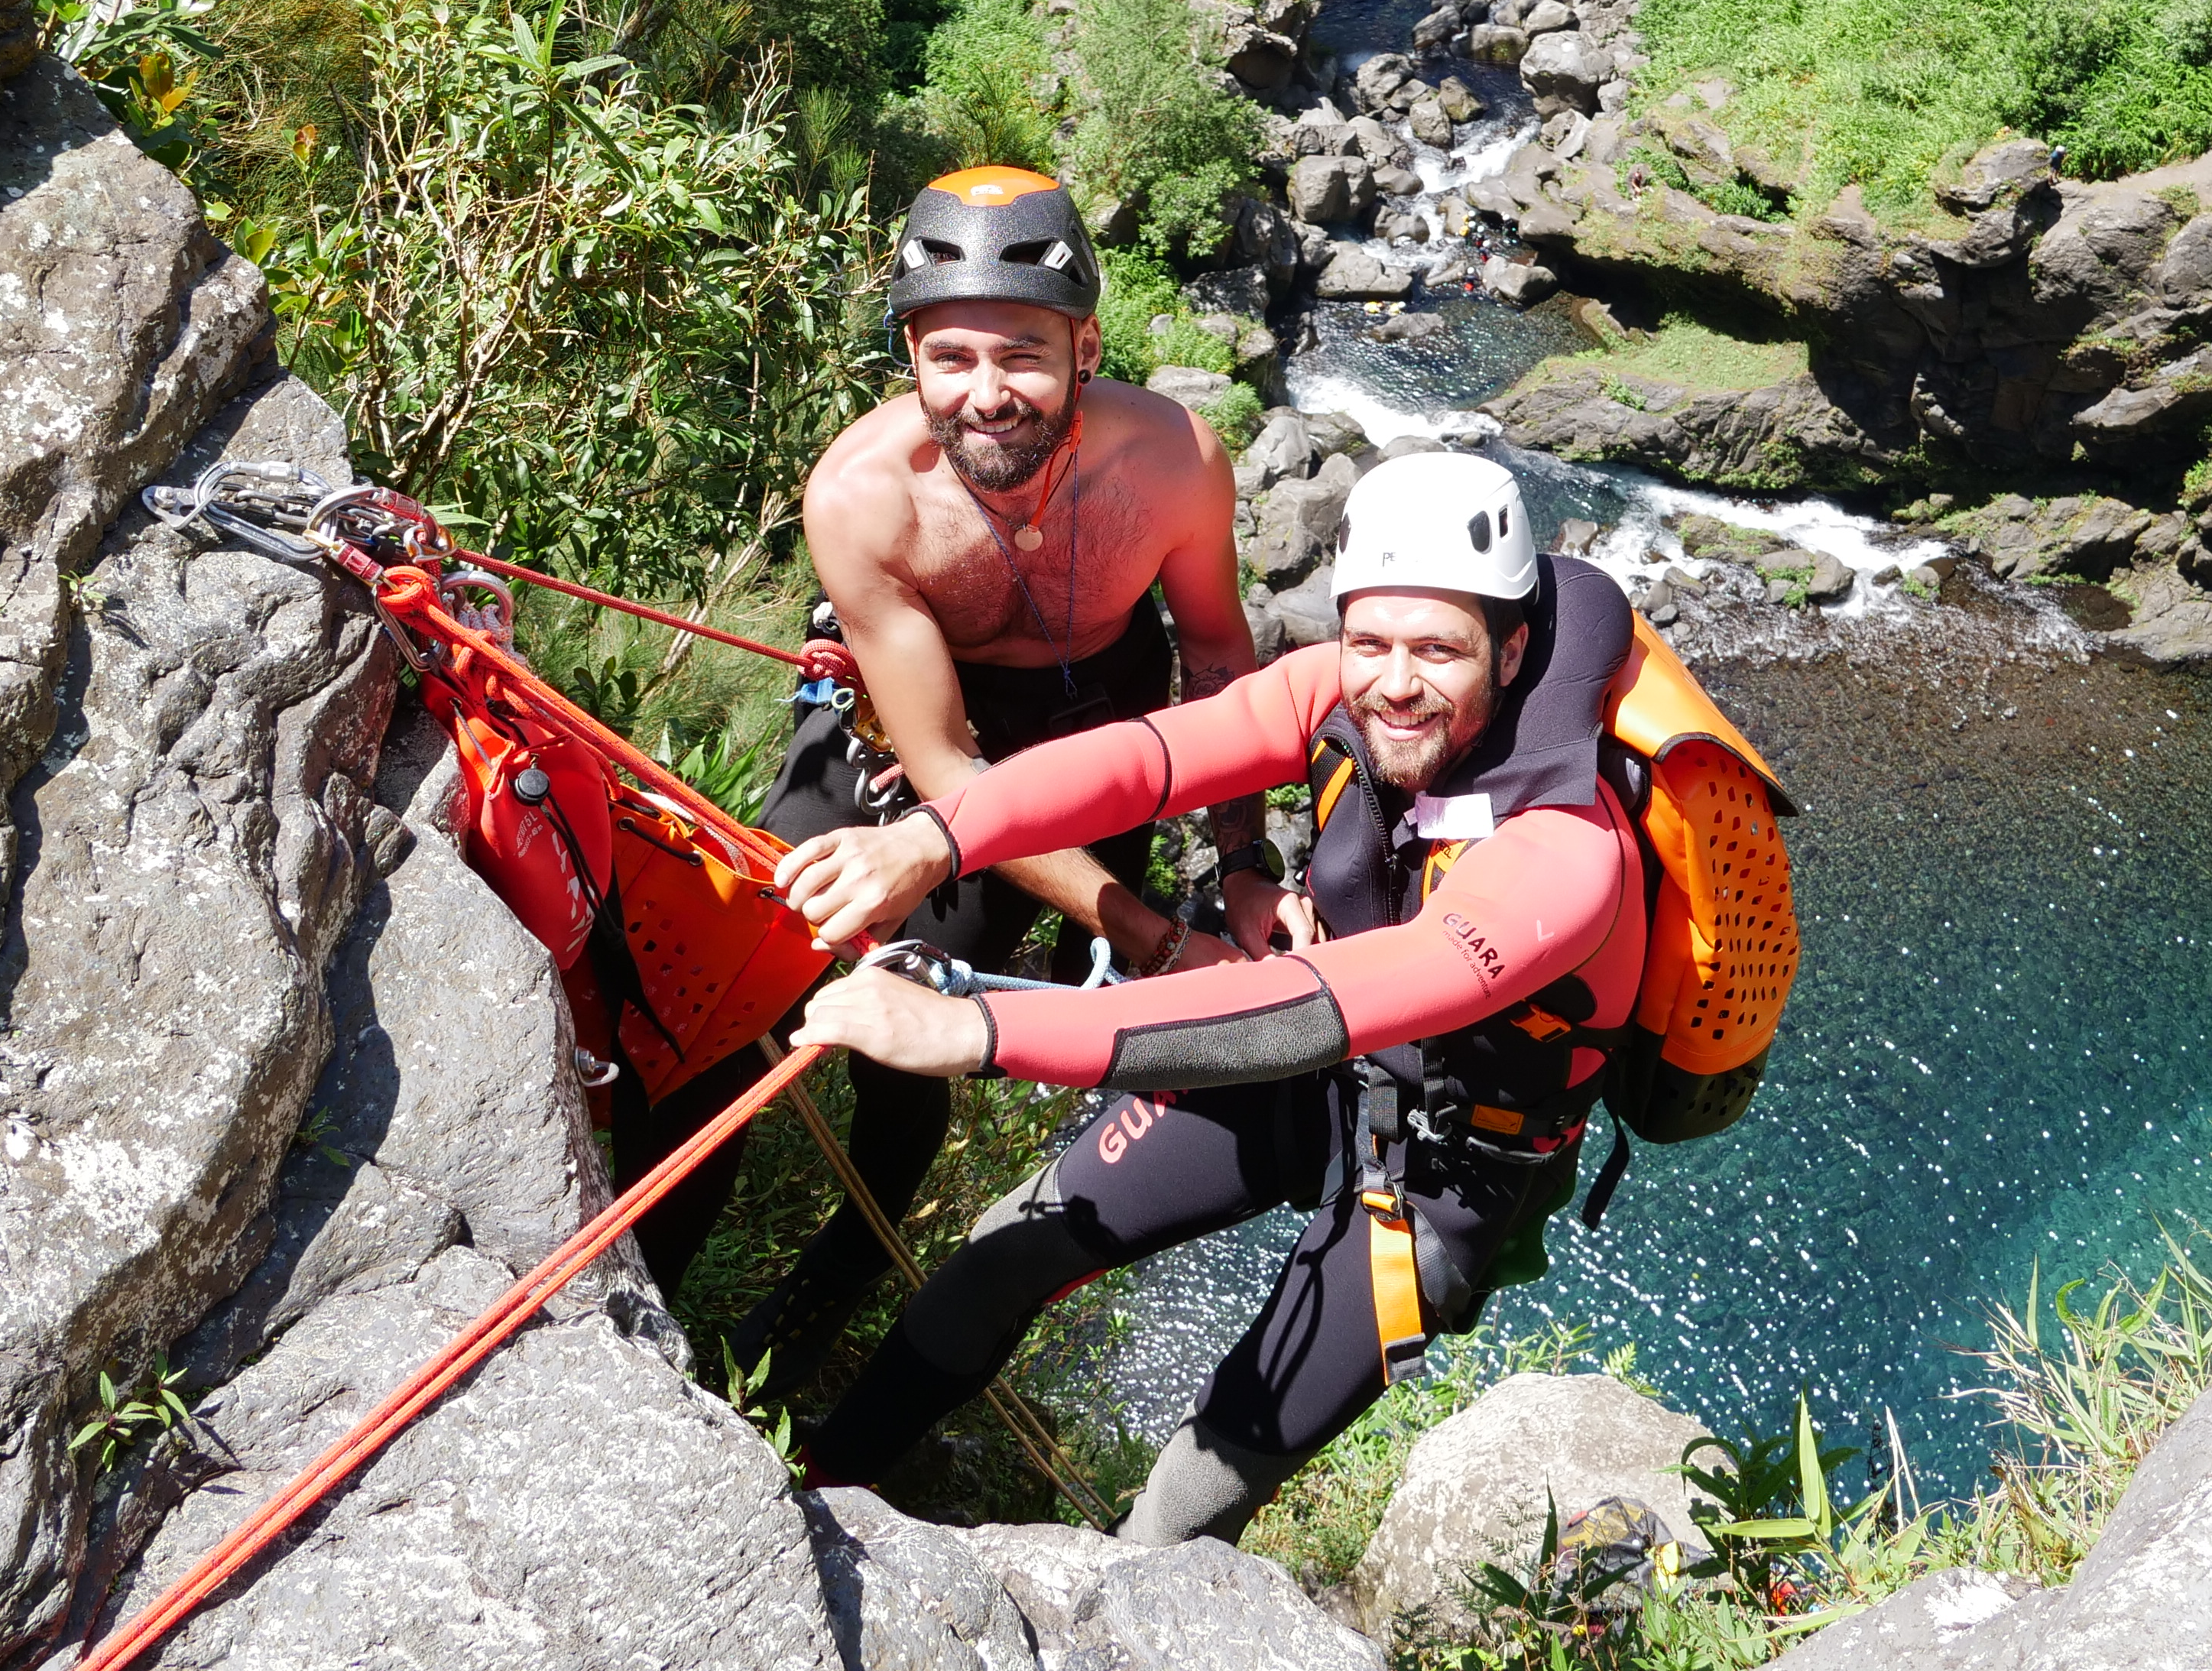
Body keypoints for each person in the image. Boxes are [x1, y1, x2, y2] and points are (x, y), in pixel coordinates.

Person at [778, 453, 1643, 1544]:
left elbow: (1309, 1006)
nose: (1394, 682)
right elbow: (1146, 759)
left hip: (1440, 1171)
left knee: (1192, 1493)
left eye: (1439, 650)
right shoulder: (1340, 690)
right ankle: (808, 1499)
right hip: (1320, 1075)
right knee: (1005, 1253)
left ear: (1513, 652)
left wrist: (977, 1029)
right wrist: (933, 836)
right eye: (1369, 643)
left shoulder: (1569, 853)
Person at [617, 164, 1267, 1384]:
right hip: (913, 718)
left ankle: (823, 1302)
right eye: (949, 357)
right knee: (732, 980)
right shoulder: (865, 499)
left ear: (1085, 343)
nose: (987, 395)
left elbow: (1221, 657)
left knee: (922, 1031)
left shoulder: (1174, 461)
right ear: (908, 354)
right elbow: (943, 758)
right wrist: (1148, 930)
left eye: (1022, 355)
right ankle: (636, 1296)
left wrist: (1240, 868)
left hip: (1097, 720)